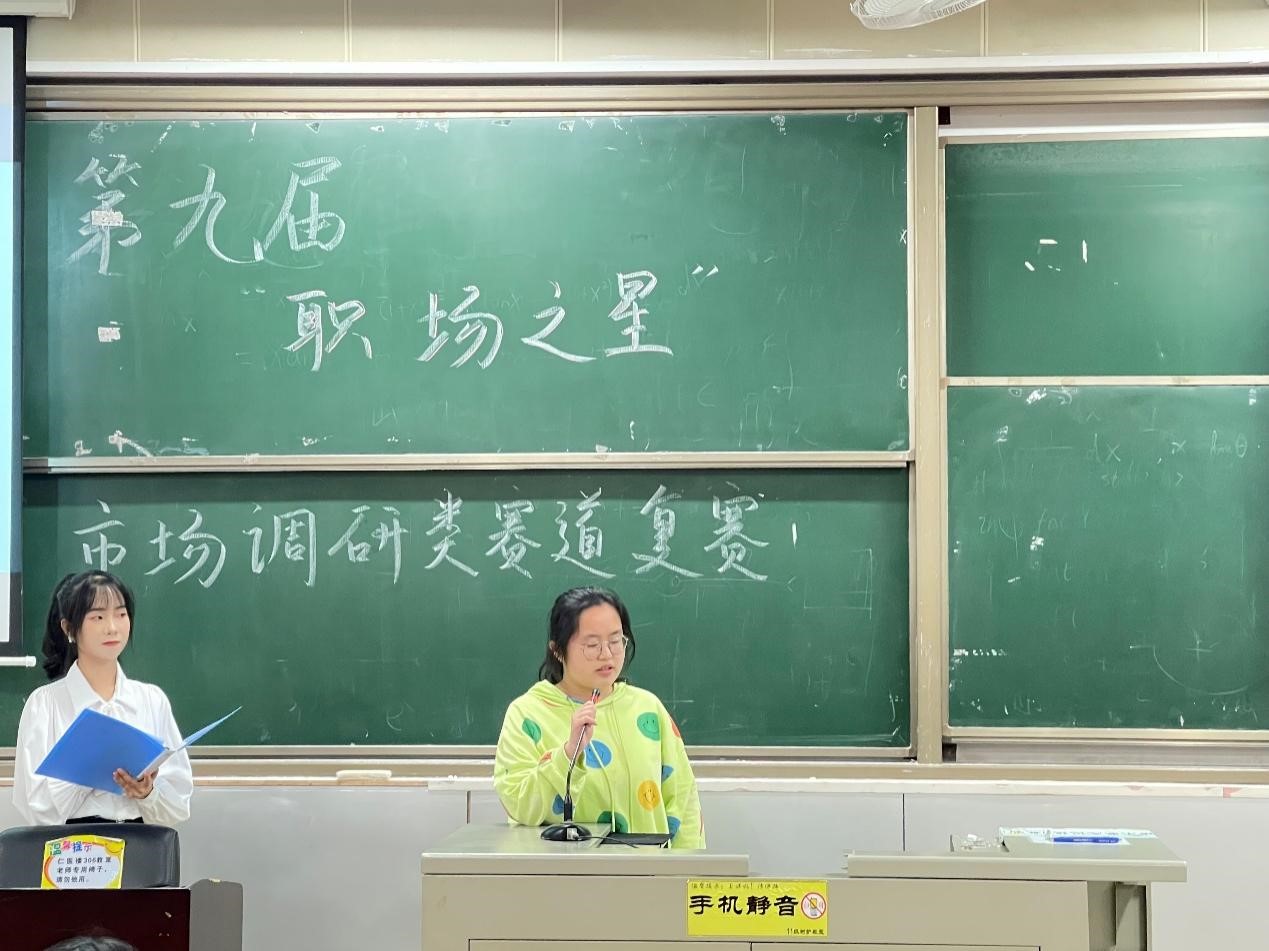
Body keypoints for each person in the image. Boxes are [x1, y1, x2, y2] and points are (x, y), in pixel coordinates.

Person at [494, 586, 703, 848]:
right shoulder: (527, 714)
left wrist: (688, 865)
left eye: (615, 641)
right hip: (567, 872)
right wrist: (568, 753)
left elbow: (683, 799)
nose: (606, 654)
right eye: (592, 645)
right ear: (557, 650)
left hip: (647, 869)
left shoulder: (647, 709)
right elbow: (520, 805)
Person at [12, 571, 192, 826]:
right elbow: (36, 808)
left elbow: (178, 805)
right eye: (97, 617)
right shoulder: (44, 705)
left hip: (140, 841)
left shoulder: (151, 700)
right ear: (69, 628)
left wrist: (147, 794)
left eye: (121, 614)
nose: (112, 628)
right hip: (72, 845)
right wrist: (90, 766)